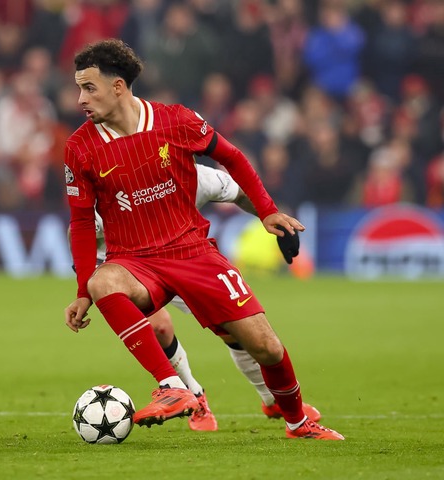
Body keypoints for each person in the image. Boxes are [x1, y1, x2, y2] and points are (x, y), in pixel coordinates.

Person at [63, 39, 344, 440]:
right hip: (134, 261)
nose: (80, 99)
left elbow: (232, 159)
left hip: (193, 253)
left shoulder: (176, 122)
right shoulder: (80, 148)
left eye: (88, 88)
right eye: (78, 88)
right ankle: (174, 387)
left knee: (265, 346)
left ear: (119, 86)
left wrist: (267, 211)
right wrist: (82, 292)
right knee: (103, 282)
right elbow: (79, 222)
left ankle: (297, 422)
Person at [86, 163, 321, 432]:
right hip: (131, 265)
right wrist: (87, 281)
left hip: (183, 259)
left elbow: (241, 193)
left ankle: (272, 400)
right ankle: (195, 397)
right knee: (160, 327)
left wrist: (271, 216)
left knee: (234, 331)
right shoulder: (123, 187)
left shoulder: (199, 176)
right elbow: (79, 231)